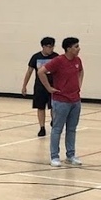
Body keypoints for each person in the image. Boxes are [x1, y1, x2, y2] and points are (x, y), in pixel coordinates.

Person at [37, 37, 84, 167]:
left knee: (72, 129)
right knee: (57, 129)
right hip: (61, 101)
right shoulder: (58, 61)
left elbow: (80, 71)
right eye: (76, 46)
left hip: (75, 100)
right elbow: (41, 71)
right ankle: (54, 156)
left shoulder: (77, 60)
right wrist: (49, 88)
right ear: (68, 48)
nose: (78, 49)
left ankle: (71, 155)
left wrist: (78, 85)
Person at [21, 36, 58, 137]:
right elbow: (29, 72)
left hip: (53, 86)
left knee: (54, 107)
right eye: (49, 47)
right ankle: (42, 127)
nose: (51, 49)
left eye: (52, 47)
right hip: (40, 87)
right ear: (43, 46)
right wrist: (24, 85)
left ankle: (54, 121)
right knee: (40, 107)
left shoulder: (56, 57)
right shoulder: (36, 57)